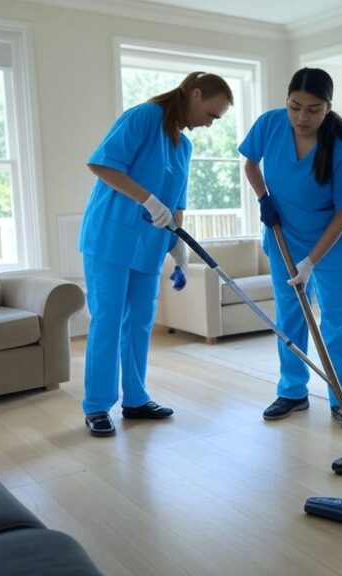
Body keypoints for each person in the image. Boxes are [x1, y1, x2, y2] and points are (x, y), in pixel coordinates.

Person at [79, 72, 233, 437]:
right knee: (108, 320)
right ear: (196, 95)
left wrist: (179, 249)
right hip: (111, 238)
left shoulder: (183, 146)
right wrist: (147, 199)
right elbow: (101, 164)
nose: (209, 124)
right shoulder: (144, 116)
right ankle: (97, 406)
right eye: (211, 115)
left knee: (140, 323)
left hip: (149, 245)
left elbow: (177, 204)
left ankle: (135, 399)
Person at [238, 67, 342, 426]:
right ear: (286, 102)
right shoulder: (270, 124)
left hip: (331, 244)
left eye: (313, 109)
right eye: (295, 107)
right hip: (284, 236)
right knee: (290, 317)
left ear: (328, 108)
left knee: (337, 320)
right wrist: (263, 198)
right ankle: (292, 391)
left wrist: (311, 261)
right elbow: (250, 163)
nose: (302, 117)